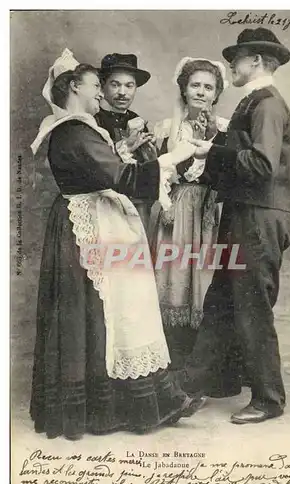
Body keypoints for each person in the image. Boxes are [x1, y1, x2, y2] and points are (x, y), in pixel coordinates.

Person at [29, 49, 201, 440]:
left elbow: (107, 170)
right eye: (94, 87)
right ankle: (104, 410)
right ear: (74, 86)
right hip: (85, 226)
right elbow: (119, 176)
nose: (100, 95)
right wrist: (175, 156)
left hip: (93, 220)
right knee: (99, 312)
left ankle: (115, 406)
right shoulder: (73, 129)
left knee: (103, 313)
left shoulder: (79, 127)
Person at [185, 28, 290, 423]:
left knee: (252, 307)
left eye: (238, 59)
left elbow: (262, 166)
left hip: (259, 216)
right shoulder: (257, 101)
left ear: (258, 62)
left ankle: (268, 399)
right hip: (245, 213)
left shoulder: (266, 104)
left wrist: (211, 151)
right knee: (220, 301)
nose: (231, 65)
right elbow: (247, 160)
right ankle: (196, 386)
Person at [149, 57, 229, 382]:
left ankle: (200, 370)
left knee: (205, 281)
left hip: (207, 211)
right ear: (184, 89)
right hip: (177, 208)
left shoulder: (223, 128)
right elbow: (159, 172)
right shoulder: (167, 128)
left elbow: (225, 174)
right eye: (195, 85)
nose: (201, 91)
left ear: (216, 94)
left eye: (208, 87)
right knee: (173, 279)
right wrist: (164, 198)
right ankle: (170, 364)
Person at [95, 53, 154, 230]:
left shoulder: (138, 120)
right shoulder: (93, 120)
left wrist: (150, 154)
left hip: (136, 206)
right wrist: (126, 144)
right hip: (104, 206)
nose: (123, 92)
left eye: (129, 86)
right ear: (103, 86)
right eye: (115, 85)